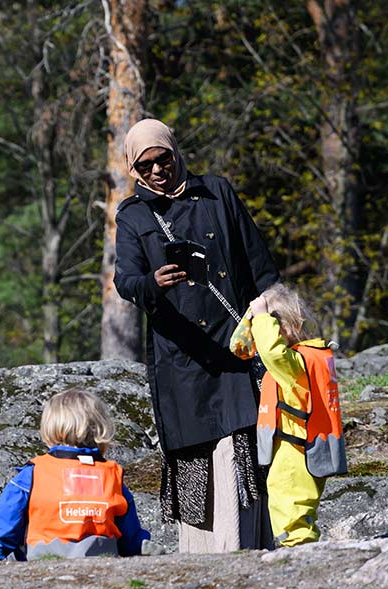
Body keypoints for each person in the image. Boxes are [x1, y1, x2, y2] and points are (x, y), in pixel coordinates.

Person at [114, 118, 279, 552]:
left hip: (235, 342)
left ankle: (252, 547)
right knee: (196, 454)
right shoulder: (134, 216)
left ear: (175, 152)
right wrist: (154, 281)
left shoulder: (217, 192)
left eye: (163, 159)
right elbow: (125, 281)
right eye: (145, 165)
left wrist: (275, 314)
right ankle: (202, 558)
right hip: (183, 354)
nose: (156, 171)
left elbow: (258, 261)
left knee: (243, 444)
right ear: (134, 169)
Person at [0, 389, 153, 561]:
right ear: (101, 429)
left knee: (14, 552)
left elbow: (9, 512)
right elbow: (128, 527)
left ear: (50, 429)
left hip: (42, 554)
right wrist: (136, 545)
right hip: (102, 554)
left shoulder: (34, 472)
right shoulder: (111, 474)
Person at [247, 283, 347, 546]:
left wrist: (260, 317)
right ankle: (296, 547)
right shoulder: (310, 357)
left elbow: (272, 353)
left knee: (292, 506)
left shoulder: (294, 364)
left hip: (296, 453)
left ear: (284, 328)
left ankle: (299, 552)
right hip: (306, 448)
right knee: (293, 505)